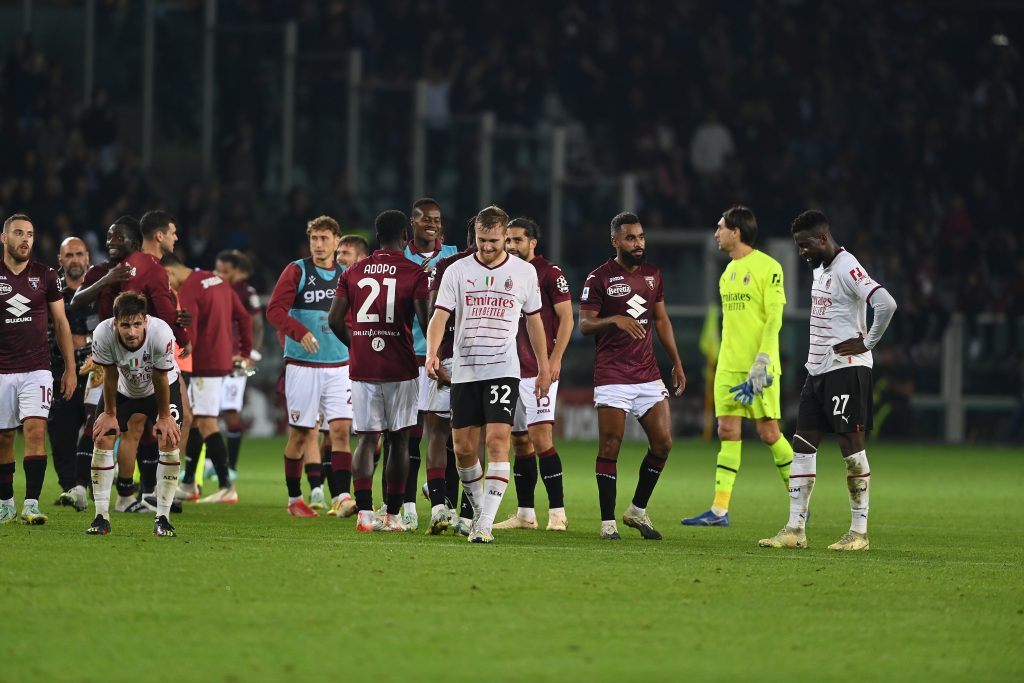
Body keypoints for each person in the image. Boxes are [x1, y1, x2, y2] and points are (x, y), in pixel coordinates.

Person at [759, 210, 897, 551]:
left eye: (806, 245)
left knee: (851, 450)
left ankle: (859, 533)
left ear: (823, 238)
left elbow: (885, 303)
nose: (802, 252)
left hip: (847, 369)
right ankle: (795, 530)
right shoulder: (820, 268)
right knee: (802, 445)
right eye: (799, 246)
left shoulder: (847, 266)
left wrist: (867, 342)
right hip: (818, 370)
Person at [425, 205, 551, 544]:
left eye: (495, 241)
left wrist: (544, 366)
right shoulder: (457, 270)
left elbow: (535, 321)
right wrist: (432, 352)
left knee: (498, 442)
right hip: (465, 370)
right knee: (464, 448)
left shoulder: (524, 273)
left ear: (505, 236)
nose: (488, 247)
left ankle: (484, 524)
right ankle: (480, 510)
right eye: (482, 240)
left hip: (503, 370)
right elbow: (439, 317)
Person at [682, 206, 795, 526]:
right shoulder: (726, 274)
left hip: (758, 365)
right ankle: (719, 510)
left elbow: (774, 317)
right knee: (726, 430)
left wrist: (764, 360)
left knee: (769, 432)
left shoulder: (768, 267)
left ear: (737, 231)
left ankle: (798, 501)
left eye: (720, 227)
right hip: (728, 366)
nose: (716, 233)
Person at [579, 212, 686, 541]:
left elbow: (662, 320)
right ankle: (607, 521)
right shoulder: (598, 278)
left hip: (648, 375)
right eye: (630, 238)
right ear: (615, 241)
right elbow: (584, 324)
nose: (638, 243)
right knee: (611, 445)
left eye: (640, 237)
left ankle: (637, 510)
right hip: (612, 375)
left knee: (663, 443)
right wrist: (613, 320)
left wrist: (677, 362)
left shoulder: (654, 275)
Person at [328, 210, 430, 532]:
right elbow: (427, 323)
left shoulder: (354, 272)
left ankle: (363, 514)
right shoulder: (414, 273)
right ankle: (393, 516)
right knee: (399, 441)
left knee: (366, 439)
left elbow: (334, 320)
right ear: (405, 238)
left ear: (376, 235)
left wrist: (355, 345)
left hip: (363, 367)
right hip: (400, 366)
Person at [266, 215, 353, 517]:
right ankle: (294, 500)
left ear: (337, 241)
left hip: (340, 365)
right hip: (303, 365)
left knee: (341, 430)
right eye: (314, 238)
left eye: (324, 238)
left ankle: (342, 495)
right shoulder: (297, 271)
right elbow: (274, 310)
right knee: (302, 434)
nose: (318, 244)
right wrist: (298, 331)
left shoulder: (347, 274)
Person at [494, 218, 574, 532]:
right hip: (508, 370)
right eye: (508, 240)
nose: (511, 246)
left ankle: (558, 513)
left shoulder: (550, 273)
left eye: (517, 240)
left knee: (541, 440)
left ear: (532, 242)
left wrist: (553, 361)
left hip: (538, 371)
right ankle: (525, 514)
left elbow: (566, 319)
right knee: (519, 442)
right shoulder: (504, 272)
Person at [0, 214, 77, 525]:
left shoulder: (45, 275)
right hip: (2, 370)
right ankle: (6, 504)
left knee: (35, 431)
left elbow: (61, 324)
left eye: (30, 233)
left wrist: (70, 368)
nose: (25, 239)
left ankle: (31, 504)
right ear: (3, 238)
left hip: (37, 368)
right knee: (4, 438)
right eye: (18, 233)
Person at [86, 291, 183, 537]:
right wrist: (109, 413)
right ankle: (101, 517)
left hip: (160, 389)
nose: (131, 332)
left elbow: (161, 377)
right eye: (125, 325)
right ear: (115, 322)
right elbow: (109, 373)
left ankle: (163, 517)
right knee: (103, 437)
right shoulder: (102, 334)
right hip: (123, 390)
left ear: (146, 321)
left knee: (169, 440)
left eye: (137, 324)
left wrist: (163, 417)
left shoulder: (161, 334)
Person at [163, 252, 253, 504]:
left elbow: (188, 338)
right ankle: (190, 482)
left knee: (207, 423)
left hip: (204, 364)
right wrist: (244, 352)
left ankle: (226, 485)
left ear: (170, 272)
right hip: (220, 360)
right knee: (196, 422)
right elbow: (244, 317)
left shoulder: (190, 290)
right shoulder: (217, 280)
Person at [401, 198, 459, 530]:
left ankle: (443, 501)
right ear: (413, 222)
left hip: (447, 356)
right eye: (425, 220)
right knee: (409, 435)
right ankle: (408, 505)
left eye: (437, 219)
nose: (432, 224)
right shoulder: (401, 258)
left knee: (449, 435)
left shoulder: (454, 255)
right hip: (409, 356)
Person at [423, 220, 476, 535]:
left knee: (438, 434)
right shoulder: (504, 268)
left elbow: (432, 312)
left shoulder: (445, 266)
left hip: (450, 356)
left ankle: (440, 507)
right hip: (479, 362)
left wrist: (433, 353)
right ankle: (466, 516)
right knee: (472, 439)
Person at [47, 237, 97, 512]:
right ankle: (70, 487)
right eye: (69, 255)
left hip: (98, 370)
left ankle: (88, 482)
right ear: (60, 259)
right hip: (60, 370)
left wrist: (86, 340)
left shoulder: (100, 287)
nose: (75, 260)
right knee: (61, 430)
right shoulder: (50, 289)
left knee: (97, 428)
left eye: (79, 254)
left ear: (87, 256)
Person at [214, 249, 264, 477]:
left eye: (225, 271)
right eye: (218, 270)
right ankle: (211, 463)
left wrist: (252, 354)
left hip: (236, 361)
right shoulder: (213, 287)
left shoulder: (246, 292)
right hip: (213, 358)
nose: (220, 274)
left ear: (236, 271)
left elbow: (257, 325)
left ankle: (231, 468)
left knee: (231, 410)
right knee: (206, 413)